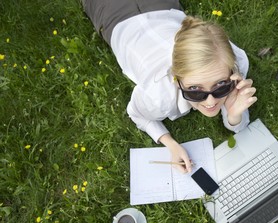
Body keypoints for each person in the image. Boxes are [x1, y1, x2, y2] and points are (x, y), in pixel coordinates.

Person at [81, 0, 257, 173]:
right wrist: (170, 144)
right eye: (195, 90)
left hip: (163, 7)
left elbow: (239, 123)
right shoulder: (157, 96)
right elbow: (136, 114)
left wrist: (234, 114)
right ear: (176, 79)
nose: (211, 102)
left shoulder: (237, 61)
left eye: (220, 86)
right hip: (114, 13)